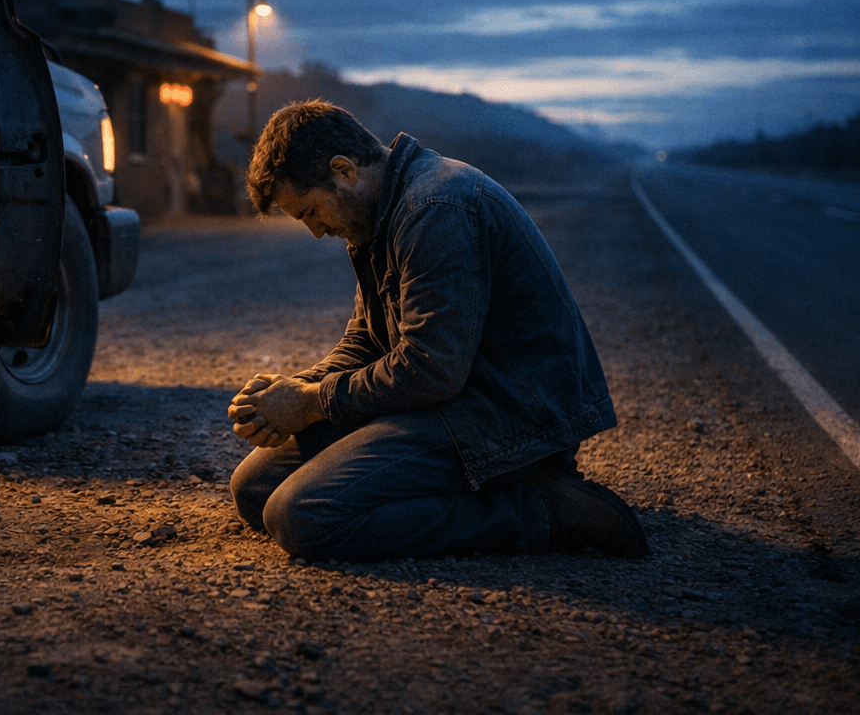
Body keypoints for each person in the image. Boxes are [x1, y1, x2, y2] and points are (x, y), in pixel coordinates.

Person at [227, 100, 648, 561]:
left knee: (302, 516)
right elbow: (367, 338)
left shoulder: (436, 207)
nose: (315, 231)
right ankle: (470, 491)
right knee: (255, 488)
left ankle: (544, 509)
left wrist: (313, 403)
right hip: (449, 398)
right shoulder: (379, 216)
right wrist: (296, 388)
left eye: (309, 212)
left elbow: (430, 369)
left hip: (508, 410)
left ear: (344, 171)